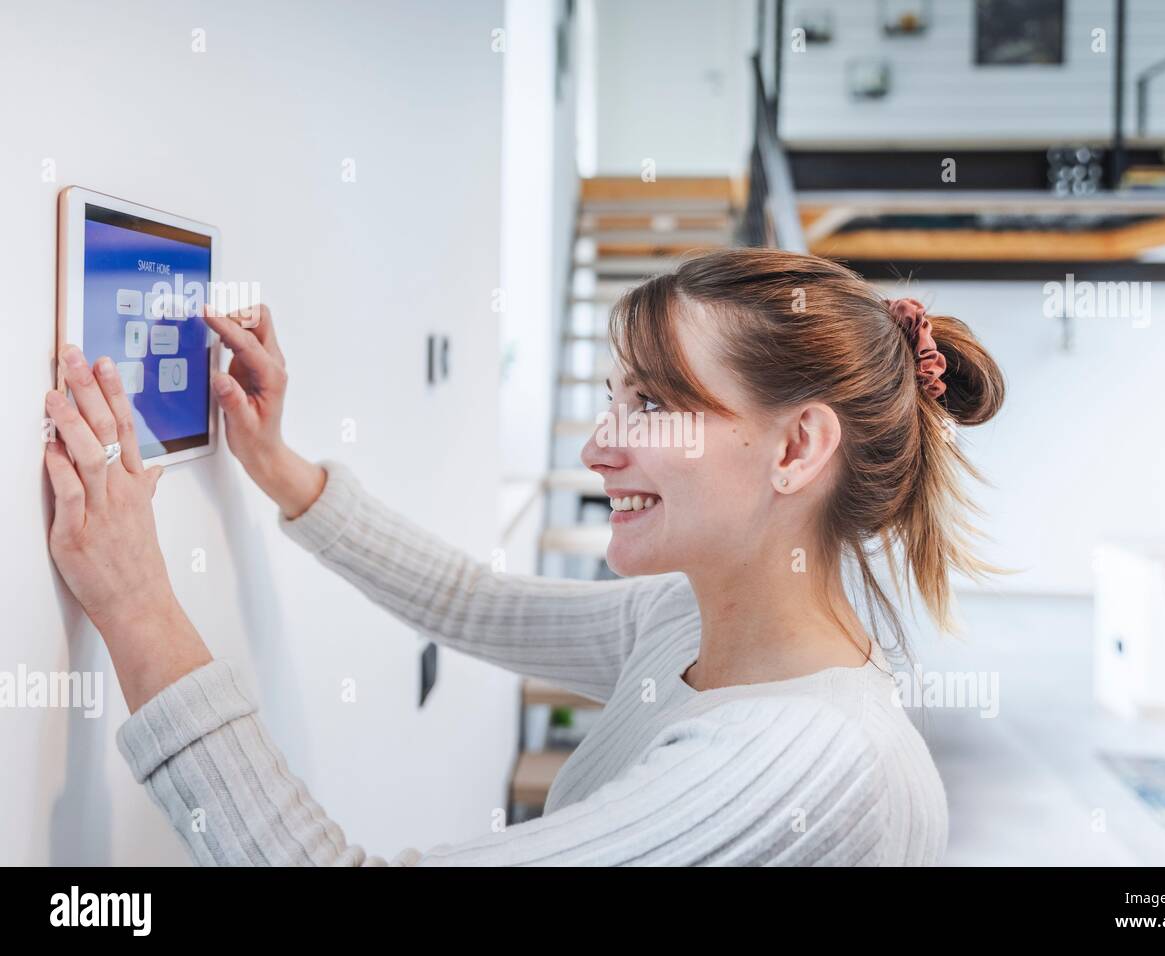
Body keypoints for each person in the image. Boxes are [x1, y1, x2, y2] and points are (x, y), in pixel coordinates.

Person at [43, 248, 1004, 865]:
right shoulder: (694, 621)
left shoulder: (807, 764)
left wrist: (136, 605)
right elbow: (471, 601)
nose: (597, 447)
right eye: (615, 398)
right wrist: (281, 468)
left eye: (655, 406)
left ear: (796, 450)